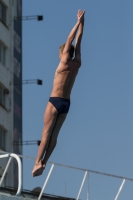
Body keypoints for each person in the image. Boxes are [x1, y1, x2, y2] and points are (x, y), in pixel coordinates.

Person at [32, 9, 85, 177]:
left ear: (63, 53)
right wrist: (83, 22)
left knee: (45, 133)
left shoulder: (63, 63)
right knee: (55, 136)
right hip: (66, 104)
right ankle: (45, 162)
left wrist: (77, 22)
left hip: (54, 101)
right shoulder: (77, 63)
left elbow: (71, 39)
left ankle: (37, 163)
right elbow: (79, 39)